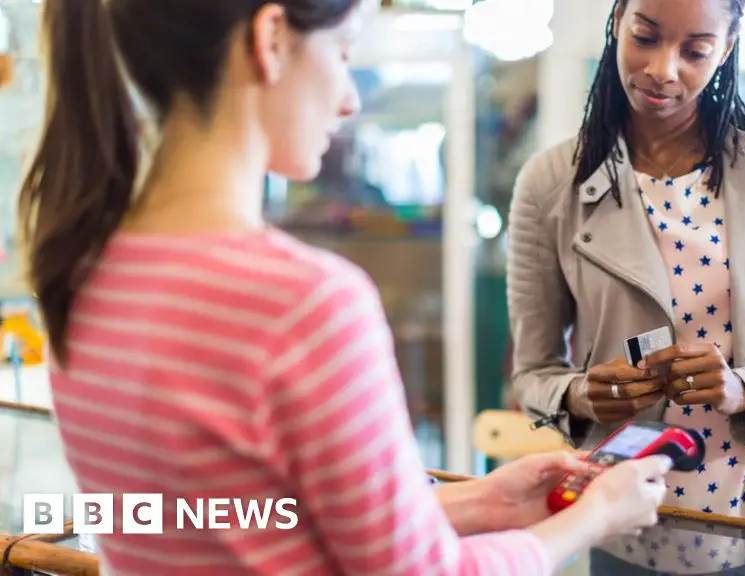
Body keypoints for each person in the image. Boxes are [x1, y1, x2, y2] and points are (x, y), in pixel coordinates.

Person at [18, 1, 674, 574]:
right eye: (341, 51)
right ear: (271, 38)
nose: (349, 98)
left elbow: (224, 519)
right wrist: (590, 521)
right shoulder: (304, 306)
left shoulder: (81, 274)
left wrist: (484, 500)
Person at [507, 0, 745, 573]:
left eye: (695, 51)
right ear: (617, 21)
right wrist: (584, 394)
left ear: (728, 47)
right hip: (623, 528)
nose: (663, 69)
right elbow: (533, 373)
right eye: (646, 36)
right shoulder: (551, 183)